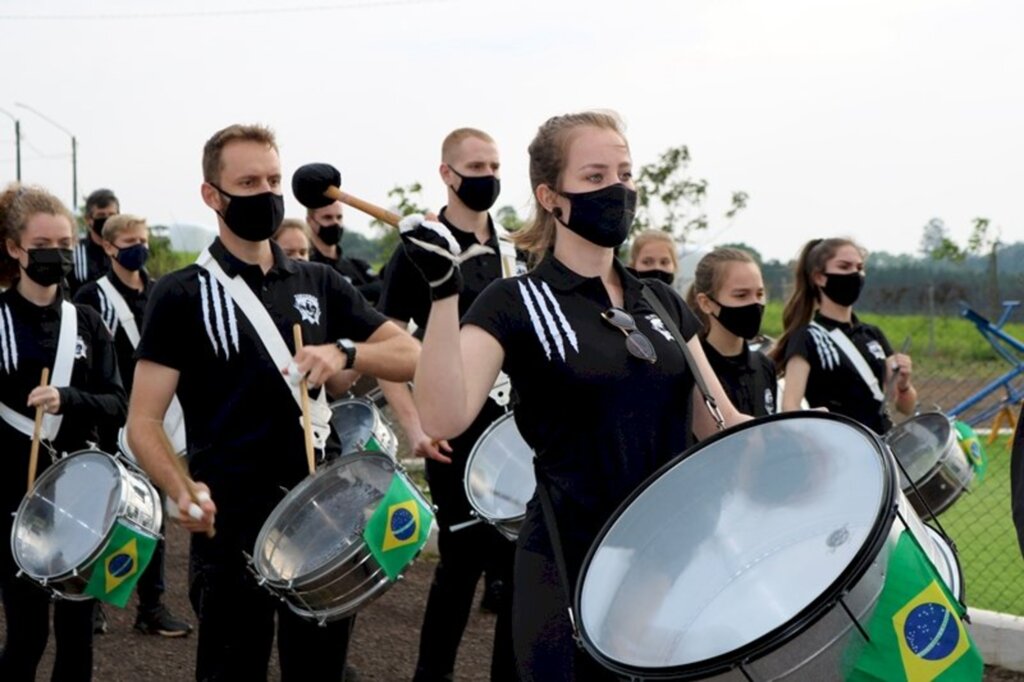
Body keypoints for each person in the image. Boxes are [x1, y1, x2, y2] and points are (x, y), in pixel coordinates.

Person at [401, 111, 748, 680]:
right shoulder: (512, 302)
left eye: (625, 173)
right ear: (550, 196)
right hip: (569, 560)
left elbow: (719, 423)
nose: (617, 189)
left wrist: (810, 445)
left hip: (666, 559)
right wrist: (443, 294)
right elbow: (443, 415)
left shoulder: (661, 302)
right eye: (594, 177)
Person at [125, 123, 419, 681]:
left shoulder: (320, 280)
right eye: (248, 181)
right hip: (230, 525)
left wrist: (348, 353)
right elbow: (143, 421)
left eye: (274, 179)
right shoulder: (181, 293)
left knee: (320, 673)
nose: (265, 192)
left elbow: (411, 355)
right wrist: (182, 490)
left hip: (326, 516)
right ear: (212, 195)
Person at [376, 127, 516, 682]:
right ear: (447, 174)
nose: (487, 177)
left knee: (517, 570)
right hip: (452, 435)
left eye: (493, 166)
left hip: (517, 433)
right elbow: (389, 347)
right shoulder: (418, 251)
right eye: (475, 167)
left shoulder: (517, 248)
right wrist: (413, 425)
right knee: (460, 567)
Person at [0, 182, 127, 681]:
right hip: (11, 498)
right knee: (27, 635)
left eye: (62, 247)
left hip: (80, 499)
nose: (55, 257)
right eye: (41, 248)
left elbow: (118, 403)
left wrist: (67, 399)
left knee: (77, 636)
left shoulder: (89, 323)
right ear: (14, 249)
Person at [73, 213, 193, 638]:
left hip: (154, 419)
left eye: (143, 239)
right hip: (110, 419)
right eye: (129, 241)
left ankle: (151, 606)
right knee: (106, 517)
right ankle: (91, 602)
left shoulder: (160, 291)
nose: (138, 248)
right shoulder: (92, 296)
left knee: (154, 516)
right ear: (108, 246)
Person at [772, 237, 916, 434]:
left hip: (881, 447)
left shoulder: (872, 334)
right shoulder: (807, 337)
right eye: (844, 267)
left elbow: (905, 407)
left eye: (859, 267)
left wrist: (904, 383)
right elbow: (790, 406)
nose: (854, 274)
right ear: (819, 277)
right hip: (838, 452)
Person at [685, 247, 776, 416]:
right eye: (741, 295)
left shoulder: (764, 365)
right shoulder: (691, 368)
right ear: (706, 303)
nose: (755, 303)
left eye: (760, 294)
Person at [306, 201, 381, 304]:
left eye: (339, 217)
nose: (335, 223)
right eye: (327, 217)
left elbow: (383, 288)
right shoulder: (306, 266)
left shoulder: (358, 266)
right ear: (310, 221)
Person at [69, 188, 120, 296]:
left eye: (112, 215)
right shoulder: (73, 252)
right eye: (101, 215)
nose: (107, 220)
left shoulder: (125, 251)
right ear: (88, 219)